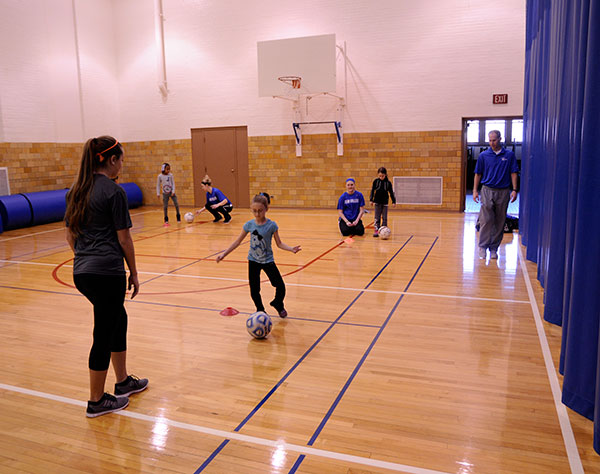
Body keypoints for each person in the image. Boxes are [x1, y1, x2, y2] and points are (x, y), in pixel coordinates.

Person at [65, 136, 148, 418]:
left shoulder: (76, 191)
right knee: (103, 331)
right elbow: (124, 239)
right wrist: (133, 272)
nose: (122, 165)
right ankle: (96, 400)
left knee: (117, 318)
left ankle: (123, 381)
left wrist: (86, 258)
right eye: (121, 160)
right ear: (111, 160)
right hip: (107, 273)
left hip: (82, 272)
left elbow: (70, 236)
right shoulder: (114, 192)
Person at [216, 194, 301, 318]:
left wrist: (291, 249)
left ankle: (278, 303)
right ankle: (260, 310)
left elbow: (279, 243)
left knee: (280, 286)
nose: (257, 214)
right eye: (254, 211)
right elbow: (237, 241)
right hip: (253, 261)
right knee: (254, 289)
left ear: (266, 209)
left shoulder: (272, 225)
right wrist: (224, 254)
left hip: (268, 261)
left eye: (260, 210)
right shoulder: (249, 225)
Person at [473, 130, 519, 259]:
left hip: (503, 191)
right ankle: (482, 246)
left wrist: (514, 190)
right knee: (486, 220)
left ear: (500, 139)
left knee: (499, 221)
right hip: (487, 190)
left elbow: (513, 173)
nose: (492, 143)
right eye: (490, 140)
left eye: (494, 140)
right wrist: (475, 191)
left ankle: (494, 248)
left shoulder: (509, 155)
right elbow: (478, 174)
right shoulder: (483, 156)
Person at [369, 166, 396, 237]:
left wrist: (393, 201)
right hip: (377, 202)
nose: (381, 177)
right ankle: (376, 229)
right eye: (380, 176)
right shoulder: (376, 181)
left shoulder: (388, 183)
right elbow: (372, 191)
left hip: (385, 202)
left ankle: (384, 230)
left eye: (382, 176)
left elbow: (391, 192)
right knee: (377, 217)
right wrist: (371, 200)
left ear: (385, 175)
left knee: (384, 217)